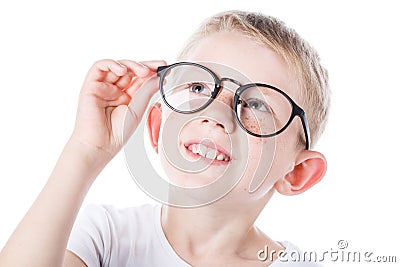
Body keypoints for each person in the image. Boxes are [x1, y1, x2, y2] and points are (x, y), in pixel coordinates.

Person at [0, 10, 330, 266]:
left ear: (296, 174)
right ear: (159, 128)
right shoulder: (106, 237)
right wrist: (86, 151)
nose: (216, 113)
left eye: (255, 104)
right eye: (199, 87)